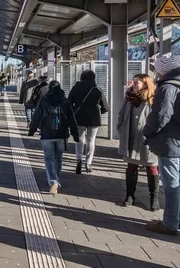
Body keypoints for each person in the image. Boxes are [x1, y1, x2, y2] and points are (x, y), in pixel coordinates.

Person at [143, 55, 180, 235]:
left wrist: (147, 132)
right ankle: (175, 219)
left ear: (163, 70)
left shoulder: (167, 87)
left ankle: (170, 223)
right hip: (177, 141)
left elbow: (161, 116)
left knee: (171, 184)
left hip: (170, 143)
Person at [28, 81, 79, 195]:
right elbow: (72, 118)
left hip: (47, 134)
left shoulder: (44, 100)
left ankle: (53, 181)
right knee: (58, 158)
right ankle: (55, 180)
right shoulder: (65, 101)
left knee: (49, 158)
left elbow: (36, 116)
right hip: (62, 134)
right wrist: (75, 134)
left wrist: (32, 130)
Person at [117, 74, 158, 210]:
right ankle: (130, 196)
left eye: (137, 83)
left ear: (146, 84)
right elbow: (121, 114)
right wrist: (121, 128)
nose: (133, 85)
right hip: (130, 136)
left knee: (151, 167)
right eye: (133, 82)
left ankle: (154, 198)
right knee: (131, 167)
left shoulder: (153, 99)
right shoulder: (129, 97)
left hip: (147, 139)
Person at [68, 70, 109, 174]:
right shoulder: (97, 88)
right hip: (94, 118)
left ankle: (78, 160)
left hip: (79, 117)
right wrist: (99, 111)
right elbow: (105, 107)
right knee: (91, 140)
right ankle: (88, 163)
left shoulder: (76, 87)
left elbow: (69, 102)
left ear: (81, 77)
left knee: (79, 139)